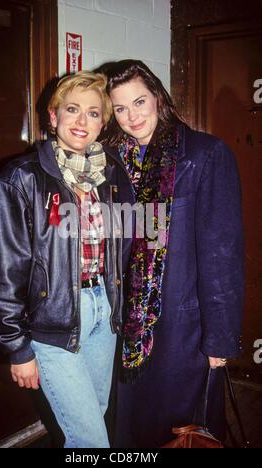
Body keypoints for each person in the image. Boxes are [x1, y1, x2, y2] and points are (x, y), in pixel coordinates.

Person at [101, 59, 244, 447]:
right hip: (130, 328)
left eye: (140, 102)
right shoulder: (115, 163)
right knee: (133, 431)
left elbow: (222, 255)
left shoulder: (204, 155)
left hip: (184, 329)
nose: (132, 116)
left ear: (159, 98)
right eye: (120, 108)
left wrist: (219, 340)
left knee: (183, 434)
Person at [0, 71, 129, 448]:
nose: (82, 122)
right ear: (53, 116)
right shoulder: (22, 178)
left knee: (94, 417)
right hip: (52, 320)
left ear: (103, 122)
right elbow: (5, 268)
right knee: (92, 440)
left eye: (94, 113)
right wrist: (16, 346)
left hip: (103, 312)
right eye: (72, 109)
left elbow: (128, 243)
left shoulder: (111, 175)